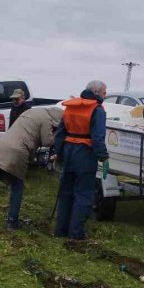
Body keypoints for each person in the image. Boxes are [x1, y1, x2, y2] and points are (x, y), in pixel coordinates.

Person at [53, 80, 109, 241]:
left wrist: (60, 154)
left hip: (68, 152)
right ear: (97, 93)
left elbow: (59, 134)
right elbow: (98, 138)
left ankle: (60, 230)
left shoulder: (71, 107)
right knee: (83, 194)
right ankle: (76, 233)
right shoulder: (97, 110)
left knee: (65, 193)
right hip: (85, 154)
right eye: (105, 93)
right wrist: (103, 157)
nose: (105, 96)